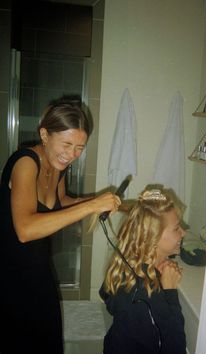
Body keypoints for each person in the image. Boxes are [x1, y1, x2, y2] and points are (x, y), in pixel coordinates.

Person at [0, 96, 121, 354]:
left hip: (39, 268)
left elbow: (62, 200)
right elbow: (25, 230)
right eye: (67, 144)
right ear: (44, 134)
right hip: (9, 275)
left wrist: (99, 201)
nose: (72, 155)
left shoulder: (58, 167)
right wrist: (91, 207)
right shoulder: (25, 163)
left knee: (49, 339)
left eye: (80, 147)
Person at [99, 188, 187, 354]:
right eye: (176, 228)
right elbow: (175, 348)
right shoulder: (148, 294)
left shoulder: (128, 263)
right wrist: (170, 291)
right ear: (153, 238)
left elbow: (106, 295)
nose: (183, 232)